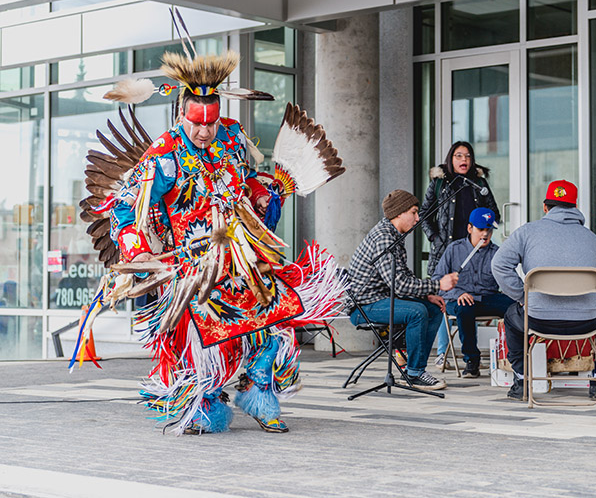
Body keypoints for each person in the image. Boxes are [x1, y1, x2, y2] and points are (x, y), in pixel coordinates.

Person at [76, 40, 345, 435]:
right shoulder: (163, 154)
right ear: (181, 113)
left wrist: (265, 192)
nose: (204, 131)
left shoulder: (233, 139)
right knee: (203, 342)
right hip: (192, 266)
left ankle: (260, 394)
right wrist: (137, 248)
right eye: (196, 122)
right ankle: (203, 405)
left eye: (210, 122)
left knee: (274, 322)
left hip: (242, 256)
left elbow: (249, 182)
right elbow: (125, 204)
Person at [491, 180, 596, 401]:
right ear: (575, 206)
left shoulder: (526, 232)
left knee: (511, 316)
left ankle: (522, 380)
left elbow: (498, 265)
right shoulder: (592, 238)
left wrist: (522, 297)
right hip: (587, 321)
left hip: (537, 319)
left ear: (545, 207)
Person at [346, 190, 459, 391]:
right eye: (414, 212)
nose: (418, 218)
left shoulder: (393, 234)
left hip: (380, 298)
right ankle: (414, 373)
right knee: (417, 312)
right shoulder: (384, 238)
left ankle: (416, 369)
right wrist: (438, 285)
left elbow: (404, 277)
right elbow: (399, 284)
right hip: (364, 306)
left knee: (433, 309)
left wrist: (427, 295)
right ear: (399, 213)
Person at [420, 141, 500, 368]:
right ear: (450, 159)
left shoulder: (479, 183)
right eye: (458, 156)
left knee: (470, 295)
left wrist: (485, 226)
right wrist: (435, 238)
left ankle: (468, 352)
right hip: (447, 251)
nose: (463, 160)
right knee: (448, 298)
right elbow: (425, 214)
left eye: (467, 156)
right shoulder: (439, 183)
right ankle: (443, 352)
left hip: (475, 249)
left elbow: (494, 213)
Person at [432, 208, 514, 378]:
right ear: (469, 228)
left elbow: (506, 282)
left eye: (489, 230)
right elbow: (437, 280)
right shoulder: (454, 249)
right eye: (480, 229)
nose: (485, 234)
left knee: (514, 307)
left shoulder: (497, 253)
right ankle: (472, 361)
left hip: (486, 298)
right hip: (459, 300)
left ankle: (513, 357)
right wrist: (457, 293)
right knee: (464, 308)